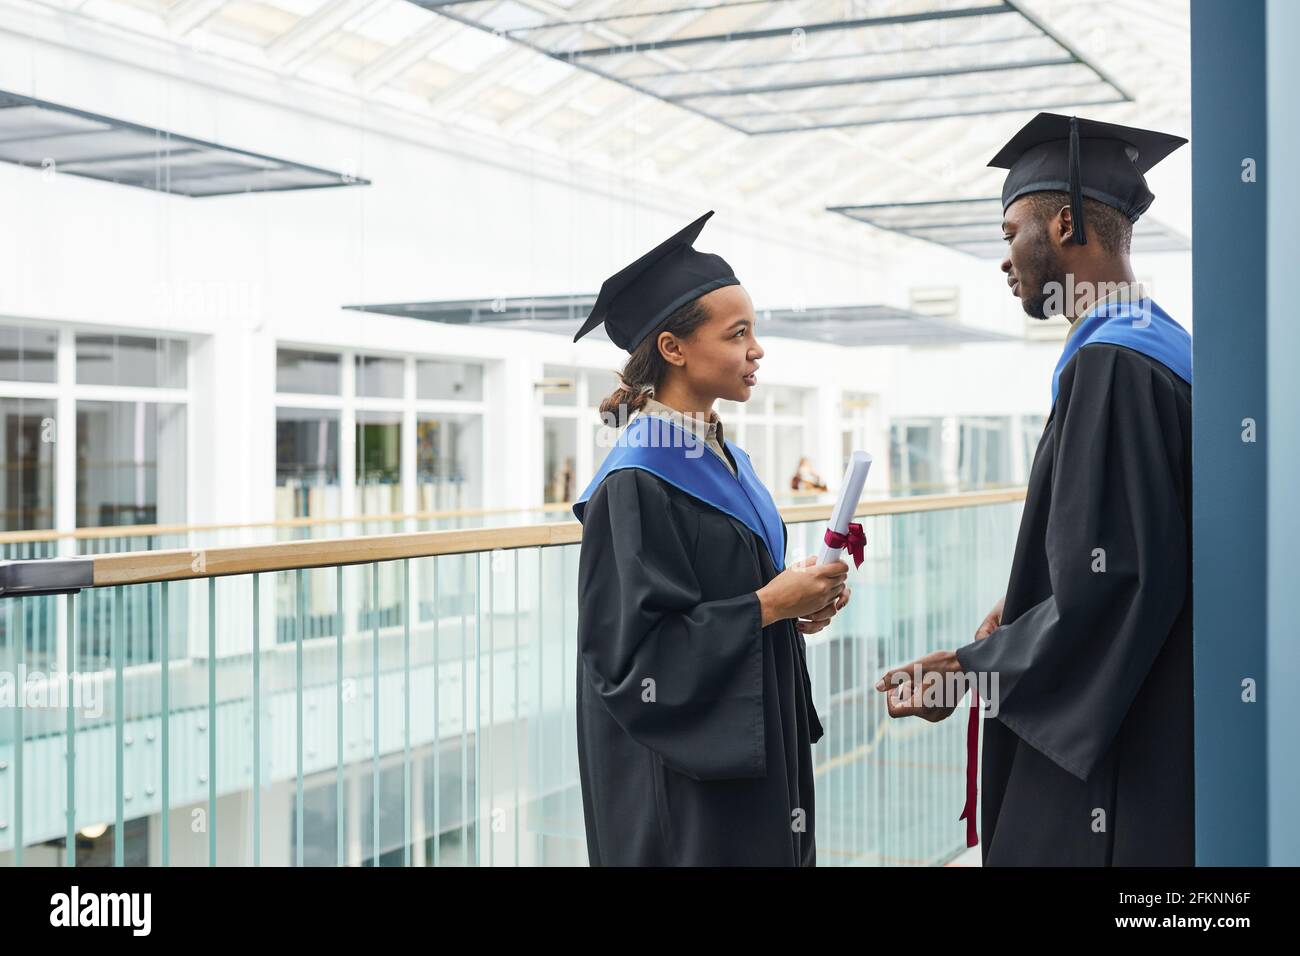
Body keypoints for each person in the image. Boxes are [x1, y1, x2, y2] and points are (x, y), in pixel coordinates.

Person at [876, 114, 1194, 866]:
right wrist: (1023, 608)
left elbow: (1116, 585)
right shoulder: (1163, 346)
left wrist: (967, 669)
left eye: (1010, 230)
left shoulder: (1114, 365)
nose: (1004, 258)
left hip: (1122, 751)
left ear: (1065, 222)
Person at [571, 210, 852, 866]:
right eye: (738, 335)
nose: (757, 351)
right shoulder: (637, 481)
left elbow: (744, 595)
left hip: (755, 755)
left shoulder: (726, 457)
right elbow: (630, 663)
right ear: (673, 348)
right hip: (684, 788)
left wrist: (797, 605)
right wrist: (770, 606)